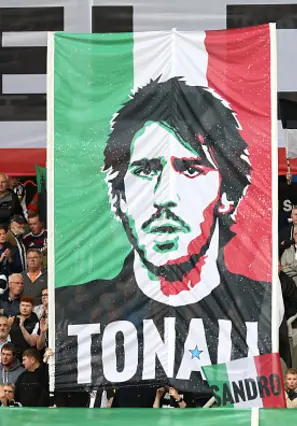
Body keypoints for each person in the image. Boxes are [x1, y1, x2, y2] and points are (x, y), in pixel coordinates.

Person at [54, 77, 273, 392]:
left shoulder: (260, 302)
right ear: (120, 198)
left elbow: (255, 411)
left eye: (190, 169)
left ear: (226, 195)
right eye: (146, 170)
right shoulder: (72, 308)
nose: (164, 197)